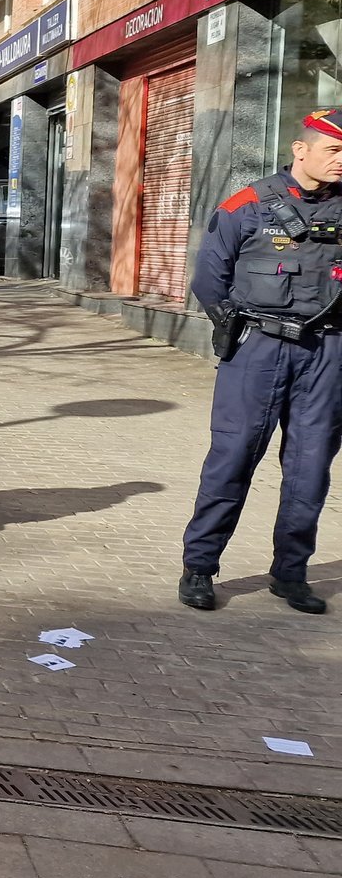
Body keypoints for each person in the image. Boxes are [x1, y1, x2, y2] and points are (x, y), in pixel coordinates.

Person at [177, 111, 342, 616]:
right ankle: (200, 567)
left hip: (327, 352)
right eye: (334, 150)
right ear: (300, 148)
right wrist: (238, 333)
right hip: (258, 350)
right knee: (232, 459)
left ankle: (290, 574)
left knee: (310, 468)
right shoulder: (246, 206)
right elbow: (209, 281)